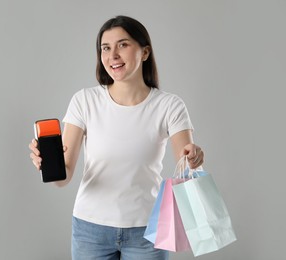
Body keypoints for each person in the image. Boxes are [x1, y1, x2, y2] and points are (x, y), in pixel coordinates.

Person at [29, 15, 204, 260]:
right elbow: (63, 177)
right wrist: (48, 164)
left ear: (144, 52)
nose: (113, 56)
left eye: (123, 45)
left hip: (147, 231)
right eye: (105, 48)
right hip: (90, 229)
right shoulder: (84, 101)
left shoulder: (169, 106)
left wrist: (194, 158)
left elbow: (186, 165)